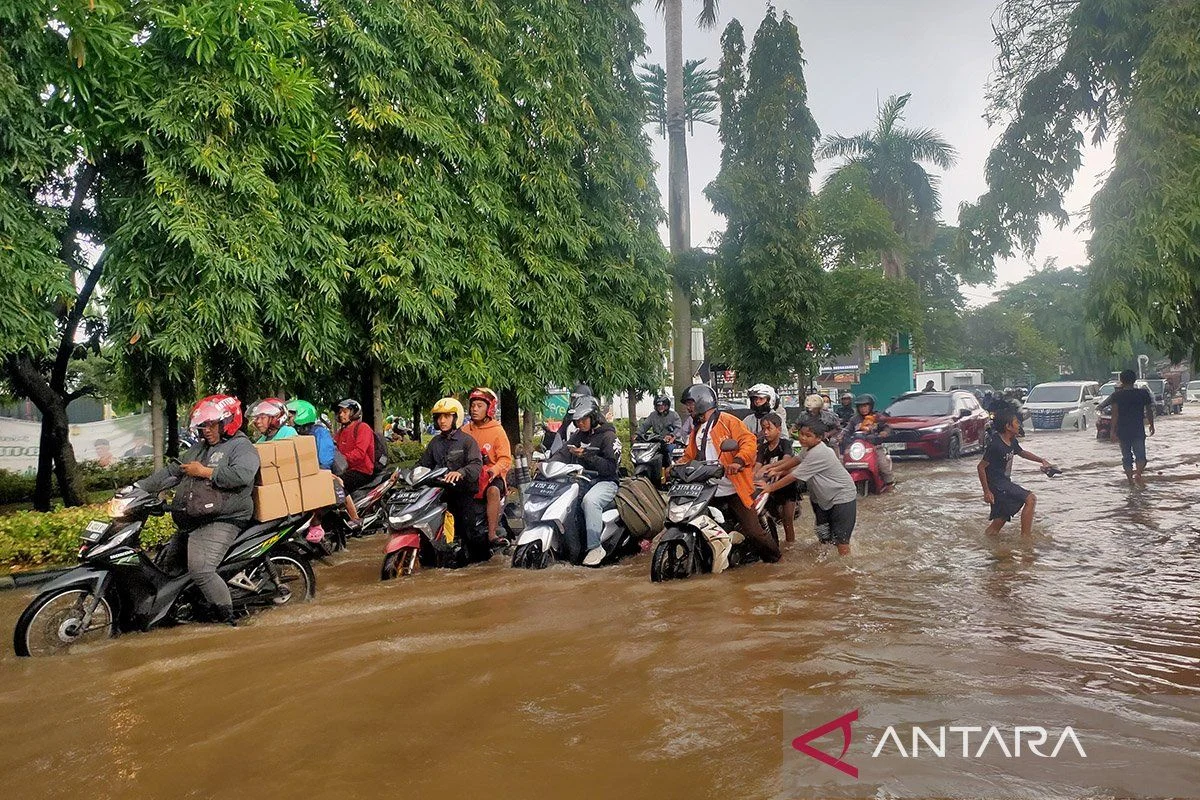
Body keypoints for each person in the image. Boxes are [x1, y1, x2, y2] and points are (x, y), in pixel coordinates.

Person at [136, 395, 259, 625]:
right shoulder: (198, 449)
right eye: (204, 426)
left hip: (225, 518)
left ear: (228, 422)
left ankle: (229, 621)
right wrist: (138, 488)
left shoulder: (241, 446)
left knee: (201, 570)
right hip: (193, 519)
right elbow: (174, 471)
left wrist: (205, 472)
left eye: (212, 425)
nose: (207, 430)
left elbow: (243, 474)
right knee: (167, 568)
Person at [679, 384, 781, 563]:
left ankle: (776, 559)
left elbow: (748, 441)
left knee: (753, 532)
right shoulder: (697, 429)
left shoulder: (728, 421)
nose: (688, 408)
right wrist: (677, 466)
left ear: (703, 401)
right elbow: (689, 454)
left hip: (734, 488)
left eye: (691, 403)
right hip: (708, 489)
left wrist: (738, 461)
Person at [765, 420, 858, 555]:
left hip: (841, 496)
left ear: (819, 438)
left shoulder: (820, 453)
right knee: (823, 534)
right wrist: (774, 468)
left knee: (841, 539)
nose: (802, 438)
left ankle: (844, 569)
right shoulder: (808, 448)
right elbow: (796, 460)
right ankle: (824, 563)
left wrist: (769, 488)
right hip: (822, 498)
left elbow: (794, 476)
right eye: (801, 434)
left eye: (807, 435)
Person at [551, 395, 621, 567]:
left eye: (584, 419)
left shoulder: (608, 436)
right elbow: (563, 452)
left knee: (590, 501)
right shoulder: (578, 435)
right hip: (582, 480)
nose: (580, 423)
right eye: (577, 420)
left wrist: (588, 456)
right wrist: (547, 464)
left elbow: (611, 468)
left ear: (594, 416)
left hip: (606, 482)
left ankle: (595, 547)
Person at [418, 397, 486, 559]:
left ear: (456, 418)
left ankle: (478, 561)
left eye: (447, 416)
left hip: (462, 494)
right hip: (439, 494)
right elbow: (423, 465)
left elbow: (476, 466)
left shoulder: (468, 442)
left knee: (467, 533)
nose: (442, 421)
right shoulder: (434, 443)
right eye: (439, 417)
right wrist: (405, 474)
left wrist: (460, 472)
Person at [288, 398, 359, 539]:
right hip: (307, 473)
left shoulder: (319, 432)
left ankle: (353, 519)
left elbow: (325, 459)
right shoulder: (294, 432)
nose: (288, 419)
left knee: (337, 488)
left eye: (291, 415)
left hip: (326, 470)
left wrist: (318, 472)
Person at [978, 407, 1053, 536]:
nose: (1019, 425)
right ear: (1008, 426)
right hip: (997, 485)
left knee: (1000, 520)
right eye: (1016, 422)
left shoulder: (1011, 440)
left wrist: (1042, 460)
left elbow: (1022, 453)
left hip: (1004, 483)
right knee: (1031, 498)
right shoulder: (995, 445)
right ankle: (1026, 539)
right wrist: (986, 491)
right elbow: (981, 467)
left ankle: (985, 545)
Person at [460, 387, 512, 547]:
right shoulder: (464, 430)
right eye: (473, 405)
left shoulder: (497, 431)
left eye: (479, 406)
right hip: (469, 476)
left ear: (489, 409)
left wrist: (494, 470)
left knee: (493, 491)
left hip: (490, 478)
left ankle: (491, 533)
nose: (474, 409)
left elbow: (505, 459)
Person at [1098, 368, 1155, 485]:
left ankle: (1130, 481)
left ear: (1121, 381)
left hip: (1122, 431)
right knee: (1141, 456)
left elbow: (1115, 415)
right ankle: (1138, 474)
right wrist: (1151, 425)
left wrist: (1112, 431)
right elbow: (1149, 411)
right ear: (1134, 380)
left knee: (1127, 457)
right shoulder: (1143, 393)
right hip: (1138, 430)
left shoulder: (1117, 396)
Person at [753, 413, 799, 543]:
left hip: (787, 486)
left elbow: (787, 462)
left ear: (779, 429)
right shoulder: (762, 447)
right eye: (763, 429)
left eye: (769, 428)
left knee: (787, 519)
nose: (766, 432)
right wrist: (753, 475)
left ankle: (790, 545)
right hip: (770, 488)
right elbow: (757, 466)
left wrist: (767, 468)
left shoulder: (785, 444)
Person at [843, 393, 895, 485]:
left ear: (870, 406)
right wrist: (840, 436)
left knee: (883, 466)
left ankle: (890, 485)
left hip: (875, 447)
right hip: (857, 448)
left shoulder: (877, 417)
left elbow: (887, 427)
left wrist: (885, 432)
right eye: (860, 406)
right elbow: (847, 430)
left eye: (865, 406)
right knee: (843, 465)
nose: (863, 409)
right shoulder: (854, 419)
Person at [637, 395, 682, 489]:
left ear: (667, 406)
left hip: (672, 442)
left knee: (670, 450)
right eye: (658, 405)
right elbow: (644, 426)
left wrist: (672, 435)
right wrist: (637, 434)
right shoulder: (653, 415)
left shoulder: (674, 415)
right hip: (657, 442)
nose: (661, 407)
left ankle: (671, 474)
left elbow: (678, 428)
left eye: (663, 405)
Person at [333, 399, 376, 494]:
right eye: (340, 412)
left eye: (345, 412)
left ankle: (351, 509)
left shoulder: (363, 428)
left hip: (362, 471)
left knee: (336, 484)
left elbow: (359, 453)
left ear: (354, 413)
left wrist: (342, 459)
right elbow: (333, 449)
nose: (341, 415)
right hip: (344, 469)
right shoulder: (340, 432)